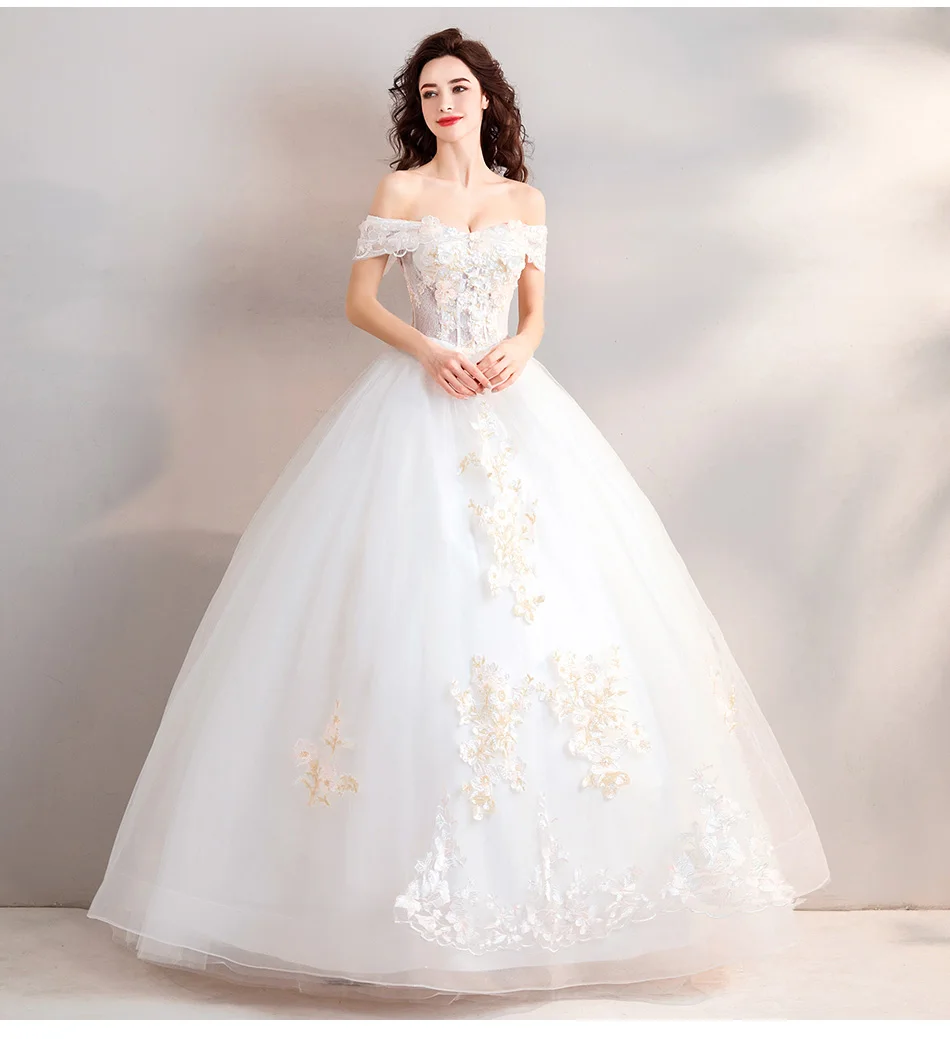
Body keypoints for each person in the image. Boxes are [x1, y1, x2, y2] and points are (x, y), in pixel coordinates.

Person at [86, 27, 830, 1003]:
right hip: (420, 401)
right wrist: (429, 350)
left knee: (551, 618)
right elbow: (359, 302)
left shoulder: (524, 200)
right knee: (414, 618)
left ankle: (567, 903)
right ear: (420, 107)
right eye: (429, 91)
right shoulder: (400, 192)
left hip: (516, 406)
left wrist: (522, 345)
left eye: (458, 88)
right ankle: (382, 910)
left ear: (487, 98)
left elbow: (536, 309)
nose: (443, 103)